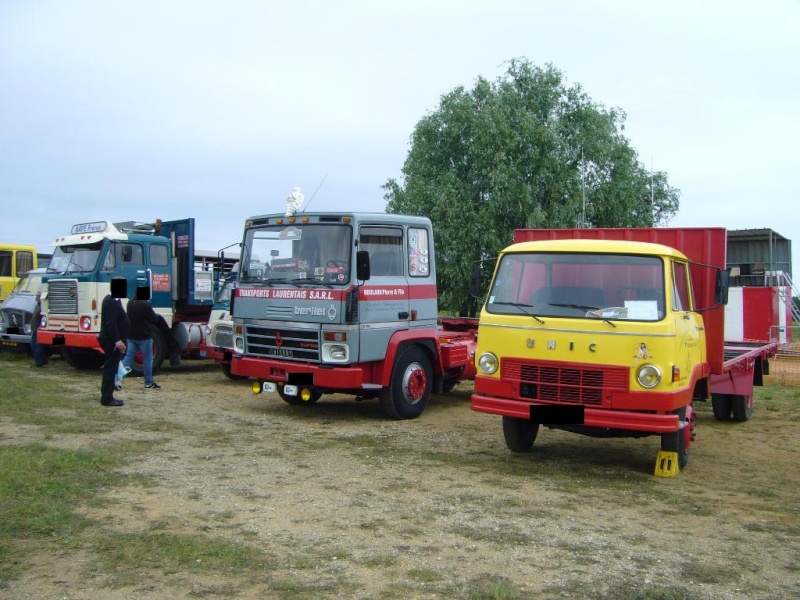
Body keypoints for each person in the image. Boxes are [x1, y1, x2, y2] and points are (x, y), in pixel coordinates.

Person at [120, 286, 167, 390]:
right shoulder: (145, 305)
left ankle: (117, 379)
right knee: (147, 360)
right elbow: (154, 319)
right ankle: (148, 382)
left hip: (131, 335)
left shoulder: (130, 303)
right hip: (144, 336)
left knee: (127, 358)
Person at [98, 278, 129, 407]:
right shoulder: (111, 302)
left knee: (112, 368)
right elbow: (111, 324)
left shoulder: (114, 300)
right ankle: (107, 397)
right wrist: (117, 341)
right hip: (111, 341)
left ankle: (108, 395)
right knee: (110, 368)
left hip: (112, 340)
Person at [30, 292, 48, 367]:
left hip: (38, 329)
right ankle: (42, 360)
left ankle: (39, 361)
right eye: (36, 295)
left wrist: (40, 326)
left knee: (37, 346)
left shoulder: (43, 306)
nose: (36, 297)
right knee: (33, 344)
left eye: (38, 295)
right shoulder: (37, 305)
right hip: (34, 329)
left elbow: (44, 317)